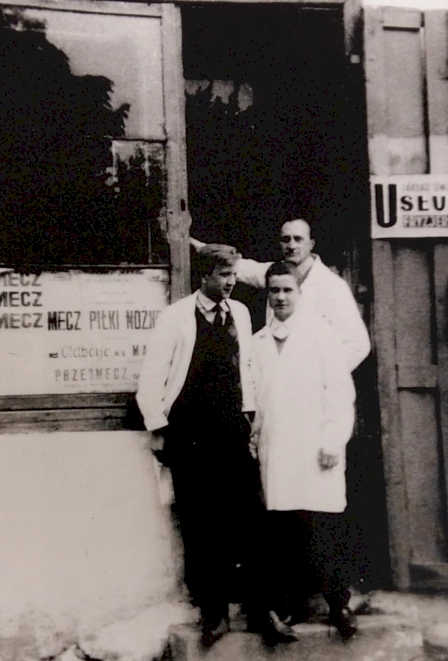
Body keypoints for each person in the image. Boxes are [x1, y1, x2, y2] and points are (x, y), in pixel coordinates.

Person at [136, 244, 262, 648]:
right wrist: (158, 427)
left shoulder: (240, 313)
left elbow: (247, 369)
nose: (231, 282)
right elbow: (152, 377)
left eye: (233, 274)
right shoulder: (175, 317)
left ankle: (259, 609)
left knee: (245, 518)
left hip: (232, 431)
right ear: (204, 275)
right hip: (191, 434)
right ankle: (214, 612)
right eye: (224, 275)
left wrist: (252, 417)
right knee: (201, 523)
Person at [251, 261, 358, 642]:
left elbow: (339, 392)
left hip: (315, 448)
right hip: (277, 449)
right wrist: (255, 438)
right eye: (274, 291)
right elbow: (257, 399)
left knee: (322, 527)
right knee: (283, 530)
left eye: (287, 290)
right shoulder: (259, 342)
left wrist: (332, 441)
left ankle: (338, 605)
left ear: (299, 293)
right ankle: (291, 605)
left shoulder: (321, 335)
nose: (280, 297)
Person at [191, 217, 370, 373]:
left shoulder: (332, 286)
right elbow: (242, 267)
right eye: (286, 240)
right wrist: (199, 247)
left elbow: (358, 344)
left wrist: (320, 375)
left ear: (311, 244)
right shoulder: (274, 272)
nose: (291, 246)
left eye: (298, 239)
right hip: (274, 374)